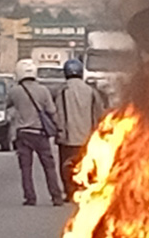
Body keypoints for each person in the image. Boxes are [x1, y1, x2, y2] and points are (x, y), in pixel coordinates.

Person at [7, 59, 64, 206]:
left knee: (26, 168)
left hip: (23, 134)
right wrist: (58, 128)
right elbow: (52, 111)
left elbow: (7, 106)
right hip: (40, 134)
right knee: (49, 167)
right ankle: (56, 196)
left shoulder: (15, 91)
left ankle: (30, 197)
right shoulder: (43, 90)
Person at [54, 58, 105, 201]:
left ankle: (70, 192)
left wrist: (59, 131)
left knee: (66, 166)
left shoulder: (63, 91)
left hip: (68, 137)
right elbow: (98, 113)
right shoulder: (90, 91)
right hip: (87, 137)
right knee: (87, 164)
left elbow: (58, 113)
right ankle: (85, 189)